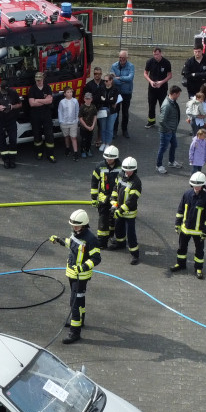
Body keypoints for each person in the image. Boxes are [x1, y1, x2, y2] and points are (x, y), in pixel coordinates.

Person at [48, 209, 101, 344]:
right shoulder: (75, 234)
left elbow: (96, 258)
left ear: (84, 225)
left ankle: (75, 332)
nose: (73, 228)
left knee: (74, 303)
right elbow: (71, 245)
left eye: (76, 226)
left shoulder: (91, 239)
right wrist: (59, 240)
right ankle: (80, 321)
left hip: (80, 276)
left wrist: (82, 267)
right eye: (72, 225)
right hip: (72, 274)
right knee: (80, 298)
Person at [173, 171, 206, 279]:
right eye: (194, 185)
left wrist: (205, 232)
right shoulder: (187, 194)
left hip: (198, 231)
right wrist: (177, 224)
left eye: (198, 186)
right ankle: (180, 264)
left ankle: (198, 268)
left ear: (202, 185)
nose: (196, 188)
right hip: (185, 229)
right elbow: (180, 210)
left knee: (199, 251)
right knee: (182, 248)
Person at [110, 156, 142, 264]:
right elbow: (115, 189)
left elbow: (131, 201)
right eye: (126, 170)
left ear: (134, 169)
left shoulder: (136, 182)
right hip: (119, 209)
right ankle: (120, 244)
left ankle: (135, 255)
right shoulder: (120, 175)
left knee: (131, 234)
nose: (127, 172)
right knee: (118, 229)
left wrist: (120, 210)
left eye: (130, 170)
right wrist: (114, 204)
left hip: (129, 213)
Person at [91, 145, 120, 248]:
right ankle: (102, 242)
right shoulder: (100, 166)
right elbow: (94, 182)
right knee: (103, 220)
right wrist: (94, 198)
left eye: (111, 158)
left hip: (116, 198)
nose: (108, 160)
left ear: (115, 158)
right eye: (107, 157)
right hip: (104, 198)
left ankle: (111, 236)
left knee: (114, 218)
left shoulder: (121, 167)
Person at [0, 81, 21, 168]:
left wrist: (12, 107)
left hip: (11, 119)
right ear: (0, 87)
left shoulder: (13, 93)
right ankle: (5, 160)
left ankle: (12, 159)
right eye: (3, 90)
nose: (4, 92)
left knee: (13, 139)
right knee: (1, 139)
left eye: (6, 91)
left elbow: (19, 104)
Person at [26, 72, 55, 161]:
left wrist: (37, 100)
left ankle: (50, 155)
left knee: (49, 135)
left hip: (46, 114)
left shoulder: (47, 87)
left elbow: (50, 101)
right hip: (35, 116)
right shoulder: (32, 89)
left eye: (40, 80)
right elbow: (31, 103)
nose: (38, 82)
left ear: (43, 79)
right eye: (37, 80)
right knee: (37, 135)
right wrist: (44, 101)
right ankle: (39, 152)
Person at [154, 85, 182, 174]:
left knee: (174, 145)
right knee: (163, 148)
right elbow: (161, 120)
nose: (179, 96)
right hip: (167, 131)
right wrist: (169, 129)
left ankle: (171, 161)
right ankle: (158, 165)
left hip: (171, 130)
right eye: (178, 94)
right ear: (173, 94)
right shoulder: (167, 105)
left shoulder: (172, 102)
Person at [144, 47, 173, 126]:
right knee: (151, 105)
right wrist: (150, 81)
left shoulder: (166, 62)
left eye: (157, 54)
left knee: (163, 105)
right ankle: (151, 121)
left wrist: (161, 82)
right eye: (154, 55)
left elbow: (170, 75)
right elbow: (145, 73)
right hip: (152, 88)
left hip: (162, 88)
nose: (156, 56)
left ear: (161, 53)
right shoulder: (150, 62)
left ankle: (163, 121)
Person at [109, 50, 134, 138]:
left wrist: (119, 78)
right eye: (120, 57)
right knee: (116, 112)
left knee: (125, 112)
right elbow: (112, 79)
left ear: (127, 57)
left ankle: (124, 130)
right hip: (116, 93)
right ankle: (115, 130)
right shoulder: (114, 66)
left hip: (127, 92)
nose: (121, 59)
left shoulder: (131, 66)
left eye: (123, 57)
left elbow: (130, 78)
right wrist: (123, 80)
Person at [58, 87, 80, 161]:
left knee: (73, 137)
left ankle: (76, 152)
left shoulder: (75, 101)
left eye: (71, 92)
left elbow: (77, 110)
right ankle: (67, 148)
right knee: (66, 136)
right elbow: (60, 112)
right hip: (64, 122)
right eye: (68, 92)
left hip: (73, 122)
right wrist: (61, 121)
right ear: (64, 94)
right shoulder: (62, 102)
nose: (70, 93)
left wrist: (76, 120)